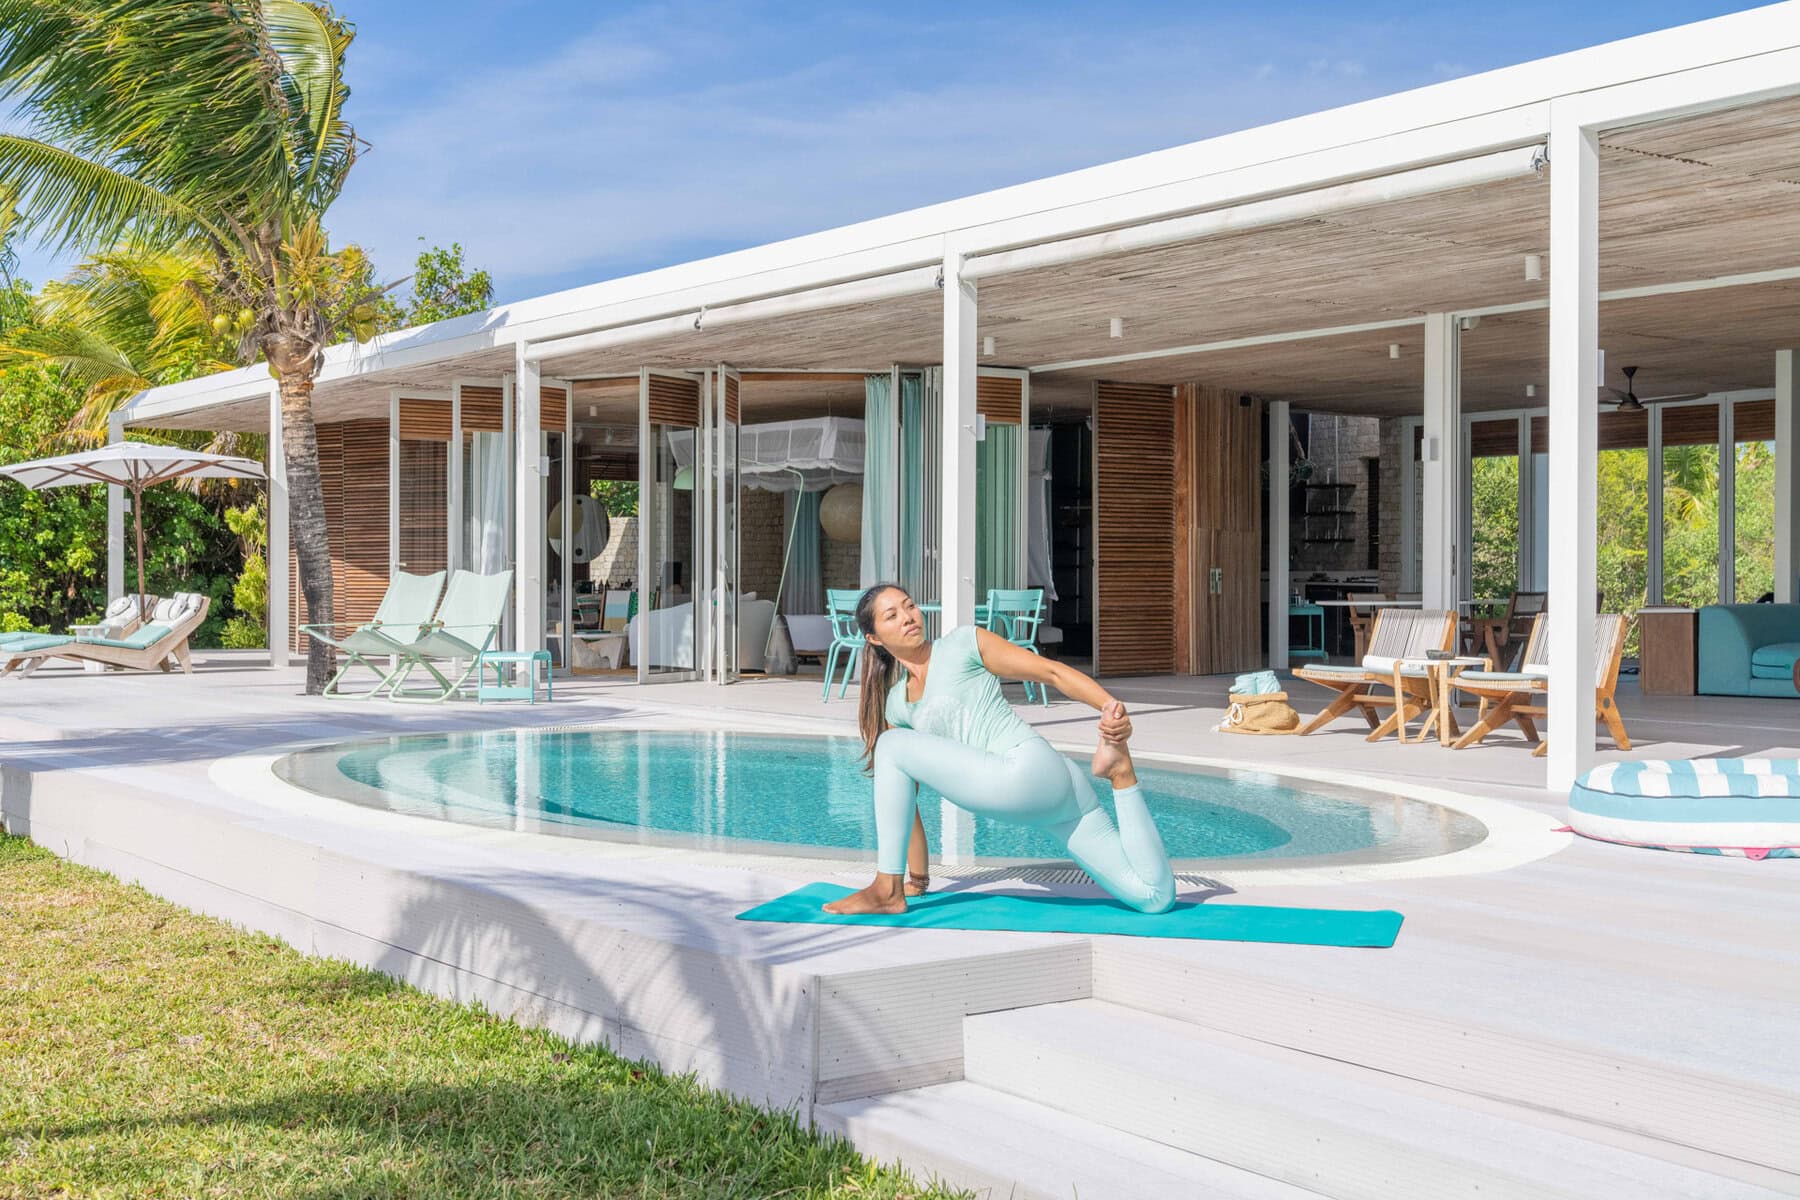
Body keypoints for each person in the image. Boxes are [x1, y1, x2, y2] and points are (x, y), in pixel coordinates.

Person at [823, 583, 1176, 916]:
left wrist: (1110, 709)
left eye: (910, 606)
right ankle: (1121, 773)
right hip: (1058, 792)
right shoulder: (897, 704)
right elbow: (904, 805)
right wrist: (918, 879)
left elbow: (1051, 672)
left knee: (889, 744)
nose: (908, 617)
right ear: (874, 638)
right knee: (1153, 898)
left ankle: (886, 890)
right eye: (892, 615)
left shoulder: (961, 644)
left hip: (1025, 766)